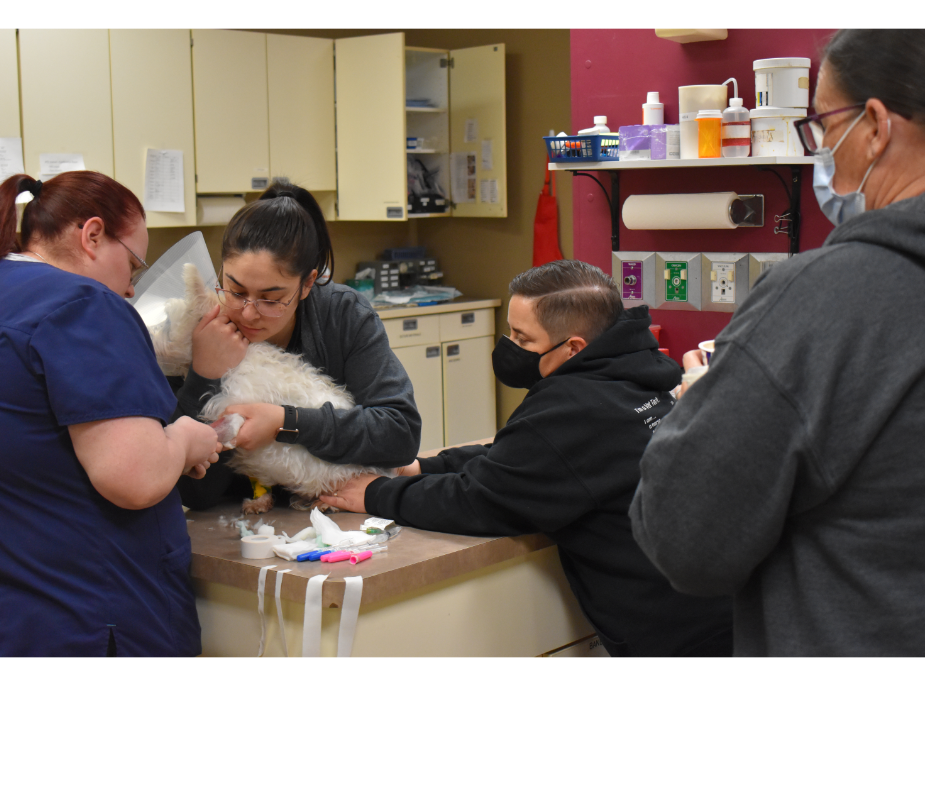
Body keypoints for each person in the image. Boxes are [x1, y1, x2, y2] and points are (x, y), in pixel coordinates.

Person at [630, 28, 925, 657]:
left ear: (875, 125)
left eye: (824, 123)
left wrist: (706, 404)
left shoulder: (826, 301)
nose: (820, 148)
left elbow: (688, 540)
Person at [322, 260, 733, 658]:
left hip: (678, 633)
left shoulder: (573, 407)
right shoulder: (640, 375)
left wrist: (378, 493)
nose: (509, 349)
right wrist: (424, 466)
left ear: (573, 347)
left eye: (522, 339)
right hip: (722, 604)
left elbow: (478, 501)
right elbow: (523, 453)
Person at [0, 171, 222, 658]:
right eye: (134, 264)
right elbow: (134, 477)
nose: (129, 287)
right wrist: (185, 438)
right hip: (94, 616)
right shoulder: (82, 305)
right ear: (93, 235)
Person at [173, 179, 421, 509]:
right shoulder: (195, 327)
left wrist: (285, 421)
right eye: (235, 289)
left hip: (337, 515)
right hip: (238, 522)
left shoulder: (342, 314)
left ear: (307, 284)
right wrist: (204, 375)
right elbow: (191, 491)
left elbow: (399, 434)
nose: (249, 312)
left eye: (271, 299)